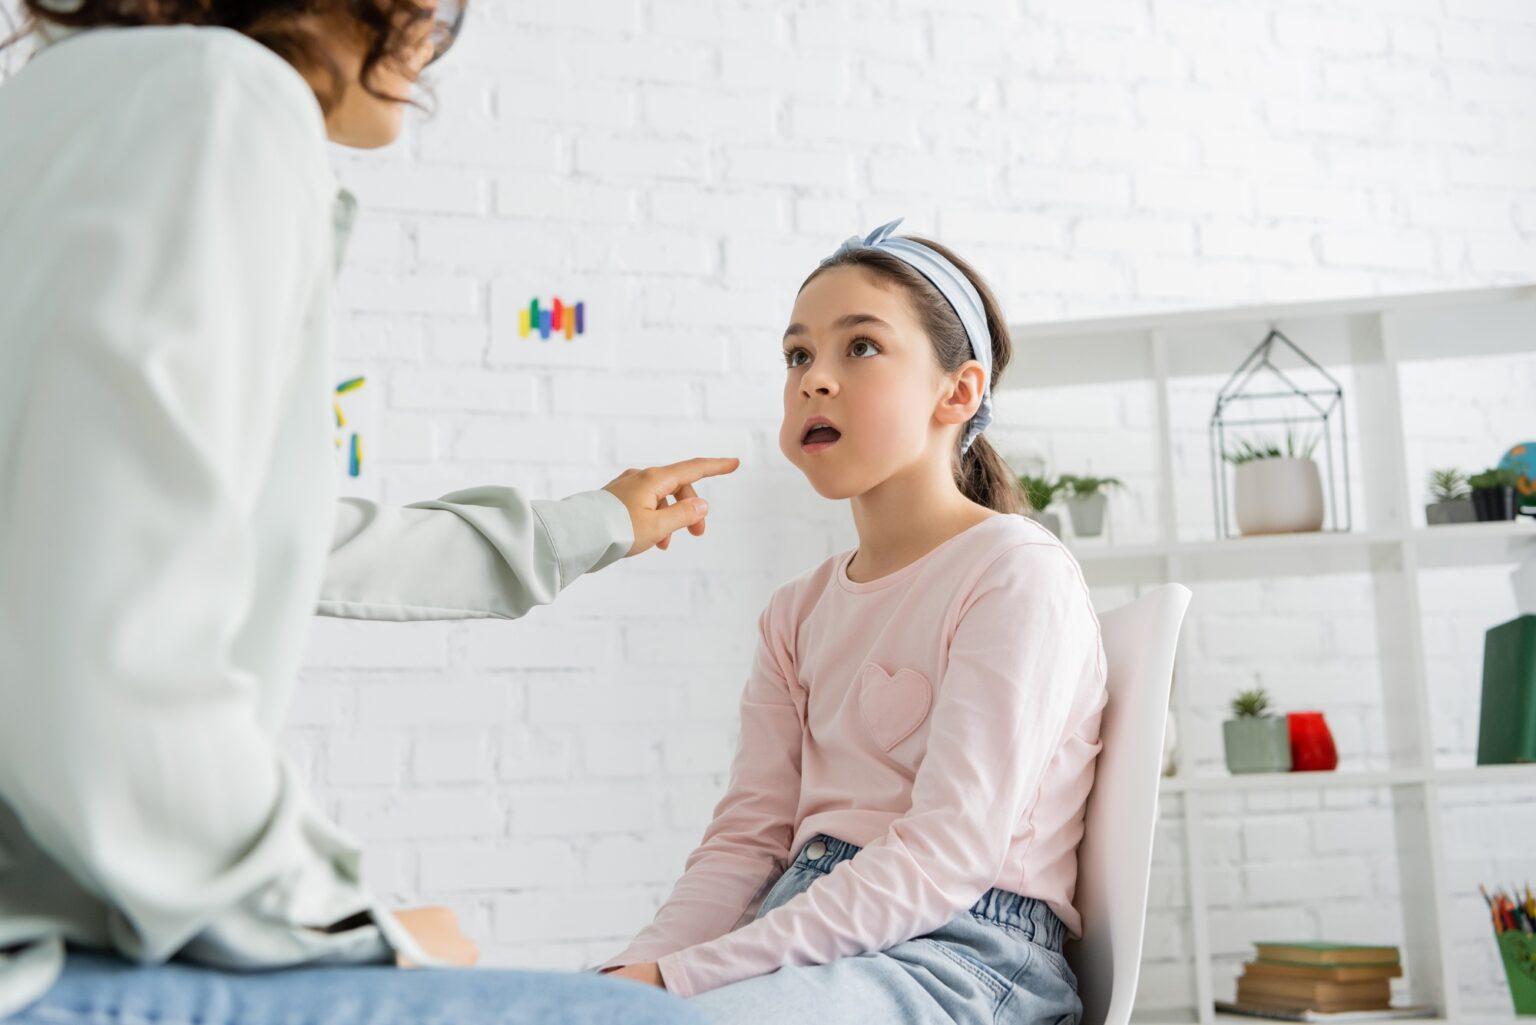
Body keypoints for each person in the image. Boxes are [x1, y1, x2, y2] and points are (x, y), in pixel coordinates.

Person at [0, 1, 725, 1022]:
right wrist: (345, 928)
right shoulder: (220, 97)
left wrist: (589, 524)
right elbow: (101, 641)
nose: (436, 24)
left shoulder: (64, 104)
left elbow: (262, 535)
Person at [600, 221, 1107, 1025]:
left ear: (958, 392)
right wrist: (631, 974)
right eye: (797, 355)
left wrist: (682, 979)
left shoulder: (1015, 571)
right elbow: (744, 844)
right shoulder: (795, 613)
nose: (815, 379)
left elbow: (947, 854)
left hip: (964, 956)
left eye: (861, 346)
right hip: (804, 933)